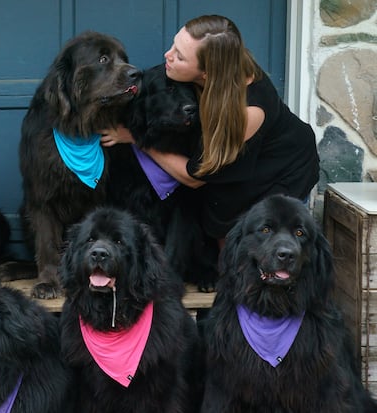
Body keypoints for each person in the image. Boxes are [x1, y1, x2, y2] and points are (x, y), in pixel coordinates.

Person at [101, 14, 319, 246]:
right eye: (174, 45)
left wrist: (135, 138)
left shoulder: (246, 113)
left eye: (180, 56)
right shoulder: (227, 61)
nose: (168, 55)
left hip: (283, 168)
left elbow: (195, 177)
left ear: (206, 73)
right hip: (244, 157)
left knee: (253, 244)